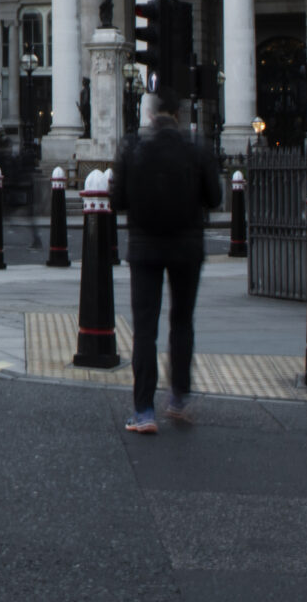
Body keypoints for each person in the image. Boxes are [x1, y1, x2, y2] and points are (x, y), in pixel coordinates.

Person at [110, 96, 221, 434]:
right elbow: (215, 198)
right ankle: (179, 399)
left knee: (145, 329)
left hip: (144, 249)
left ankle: (144, 410)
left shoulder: (133, 148)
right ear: (178, 114)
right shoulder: (196, 148)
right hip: (186, 248)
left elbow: (116, 200)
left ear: (150, 114)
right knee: (182, 322)